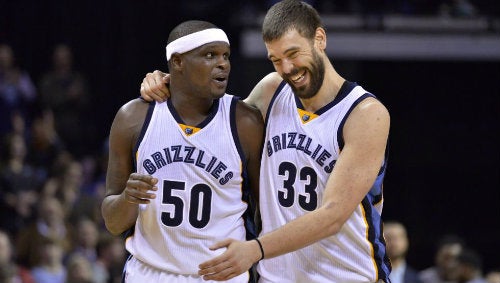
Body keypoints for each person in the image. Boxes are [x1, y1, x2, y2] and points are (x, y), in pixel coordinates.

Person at [140, 0, 391, 282]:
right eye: (275, 59)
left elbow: (333, 215)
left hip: (346, 275)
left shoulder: (365, 114)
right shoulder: (273, 90)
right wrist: (170, 81)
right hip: (275, 276)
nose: (287, 68)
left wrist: (255, 249)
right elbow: (217, 129)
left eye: (293, 54)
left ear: (319, 39)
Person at [101, 20, 264, 283]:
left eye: (226, 56)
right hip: (149, 274)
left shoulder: (245, 122)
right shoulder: (133, 118)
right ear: (177, 62)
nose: (223, 64)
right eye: (210, 55)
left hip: (222, 275)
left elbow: (264, 211)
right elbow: (112, 222)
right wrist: (128, 198)